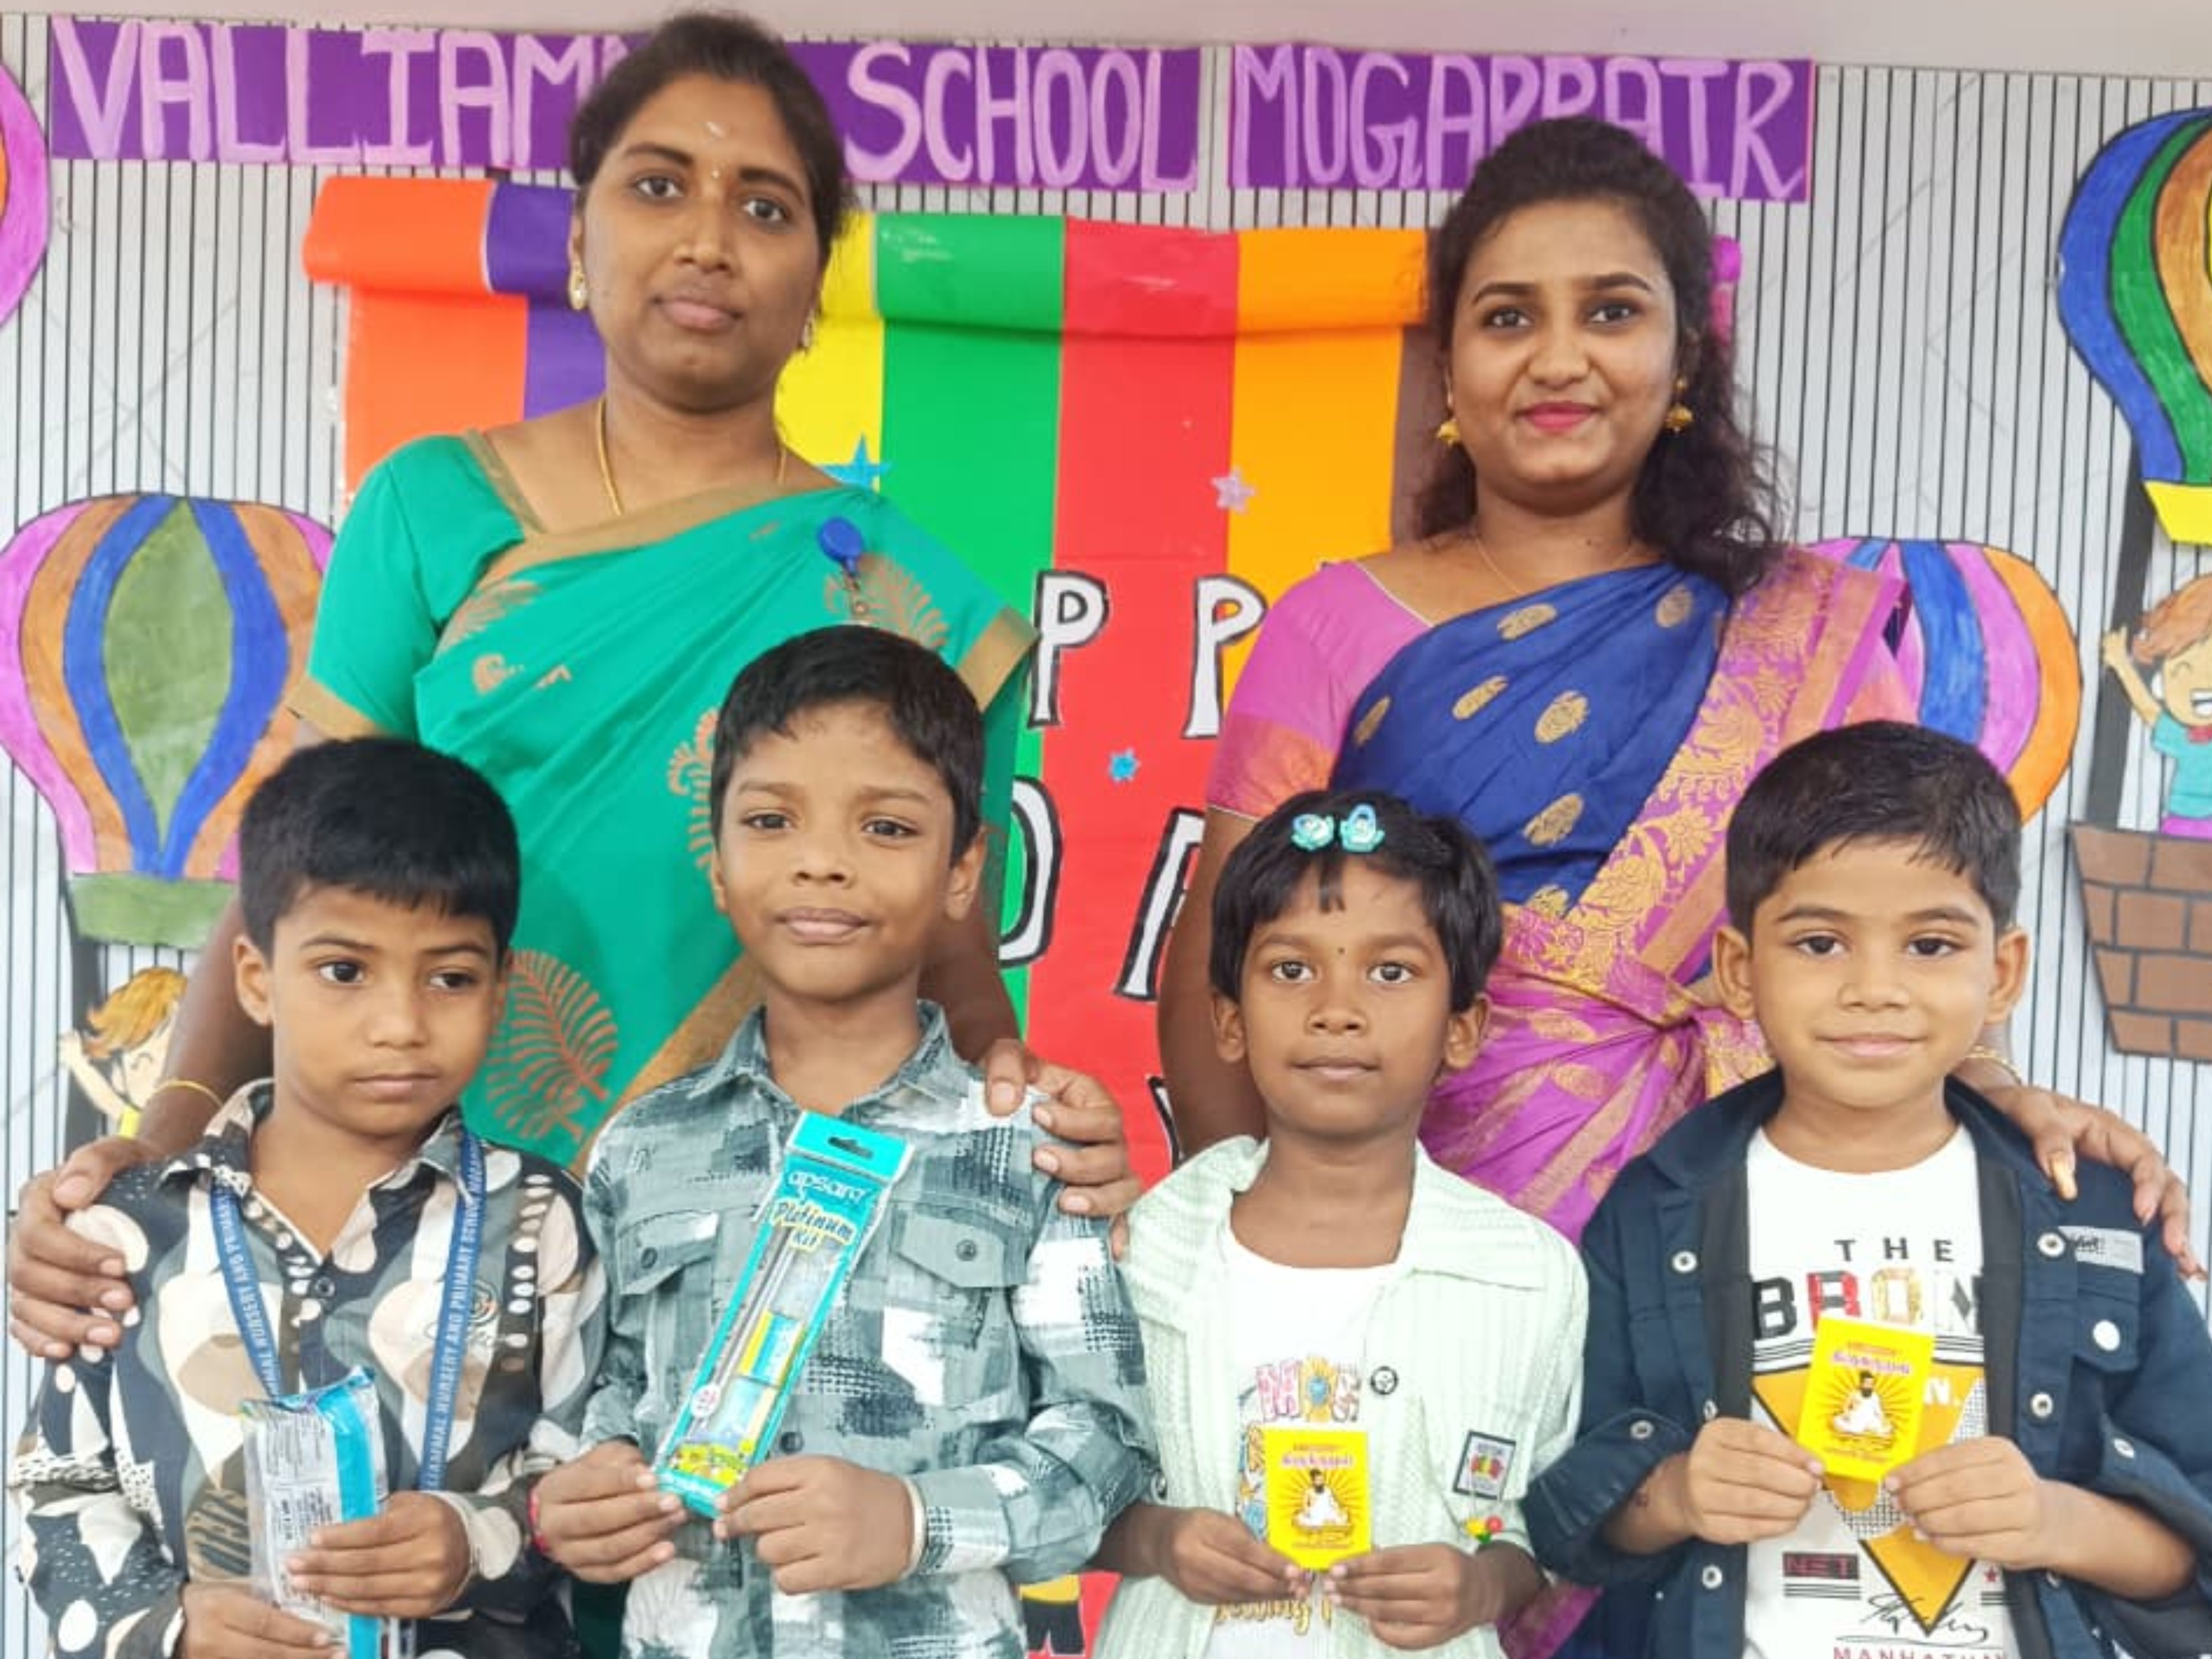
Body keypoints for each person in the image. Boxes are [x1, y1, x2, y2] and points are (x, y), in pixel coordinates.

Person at [7, 8, 1136, 1366]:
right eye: (658, 186)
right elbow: (296, 874)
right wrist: (157, 1150)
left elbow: (954, 972)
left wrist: (1030, 1129)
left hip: (763, 1243)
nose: (707, 238)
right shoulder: (434, 508)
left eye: (764, 206)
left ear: (816, 284)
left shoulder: (908, 596)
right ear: (582, 245)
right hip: (438, 1228)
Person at [1159, 114, 2187, 1267]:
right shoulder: (1334, 624)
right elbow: (1223, 968)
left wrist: (1999, 1092)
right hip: (1405, 1254)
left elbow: (1902, 920)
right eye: (1507, 318)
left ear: (1686, 357)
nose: (1558, 359)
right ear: (1448, 365)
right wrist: (1245, 1267)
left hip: (1737, 1233)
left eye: (1611, 312)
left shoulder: (1802, 630)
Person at [531, 627, 1156, 1657]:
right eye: (771, 821)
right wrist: (576, 1492)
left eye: (887, 828)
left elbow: (1110, 1449)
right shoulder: (640, 1150)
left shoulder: (1030, 1151)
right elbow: (595, 1396)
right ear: (718, 862)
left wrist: (915, 1521)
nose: (821, 861)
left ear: (963, 872)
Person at [1527, 722, 2212, 1659]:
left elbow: (2193, 1548)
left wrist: (2052, 1521)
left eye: (1930, 945)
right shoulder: (1657, 1208)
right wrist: (1678, 1495)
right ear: (1740, 971)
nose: (1874, 989)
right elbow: (1565, 1513)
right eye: (1820, 943)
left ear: (2002, 974)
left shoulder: (2090, 1209)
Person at [9, 738, 603, 1659]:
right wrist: (165, 1625)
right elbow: (58, 1480)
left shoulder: (542, 1222)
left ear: (500, 991)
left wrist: (475, 1540)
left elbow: (589, 1476)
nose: (400, 1024)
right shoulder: (131, 1228)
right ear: (256, 980)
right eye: (345, 972)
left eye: (450, 977)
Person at [1095, 790, 1586, 1659]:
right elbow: (1061, 1495)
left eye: (1391, 973)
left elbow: (1545, 1524)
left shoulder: (1529, 1276)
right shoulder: (1143, 1249)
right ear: (1229, 1020)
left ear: (1463, 1027)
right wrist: (1158, 1541)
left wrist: (1482, 1585)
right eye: (1292, 970)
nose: (1337, 1009)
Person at [2101, 572, 2212, 838]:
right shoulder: (2185, 735)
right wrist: (2122, 665)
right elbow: (2149, 710)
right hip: (2184, 824)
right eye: (2181, 671)